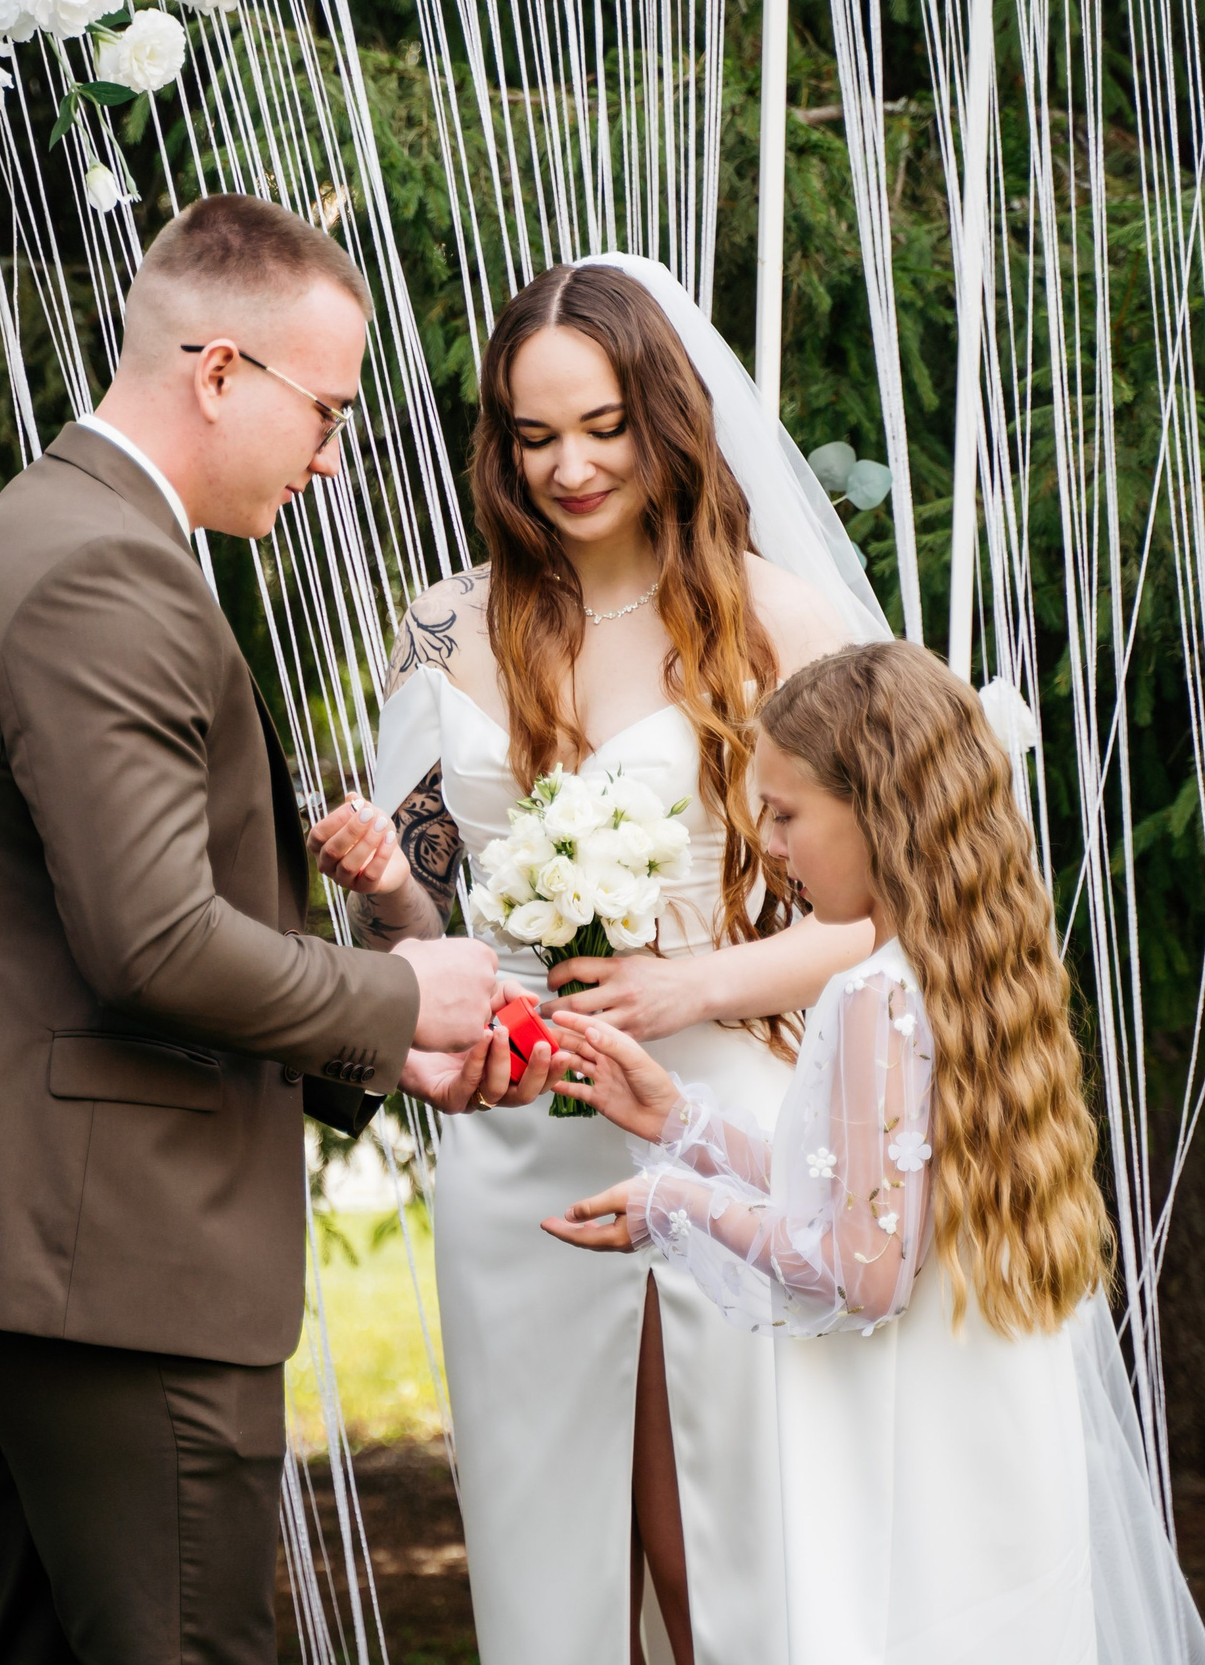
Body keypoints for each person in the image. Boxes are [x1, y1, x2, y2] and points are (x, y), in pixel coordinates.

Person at [0, 194, 514, 1664]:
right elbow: (151, 939)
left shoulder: (37, 529)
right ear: (217, 373)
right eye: (324, 414)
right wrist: (406, 1000)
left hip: (11, 1244)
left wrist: (371, 1055)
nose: (330, 463)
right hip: (102, 1264)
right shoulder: (106, 572)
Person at [307, 258, 882, 1662]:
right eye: (531, 433)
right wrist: (389, 887)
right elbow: (435, 948)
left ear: (667, 420)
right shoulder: (450, 625)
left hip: (724, 1120)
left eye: (604, 425)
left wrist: (696, 984)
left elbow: (901, 916)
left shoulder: (774, 623)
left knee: (721, 1544)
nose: (567, 465)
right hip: (522, 1151)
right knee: (553, 1542)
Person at [543, 641, 1205, 1663]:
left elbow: (858, 1267)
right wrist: (681, 1117)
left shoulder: (875, 994)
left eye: (785, 812)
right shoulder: (971, 961)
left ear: (878, 810)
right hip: (990, 1412)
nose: (768, 844)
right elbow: (874, 1190)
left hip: (914, 1441)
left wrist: (671, 1206)